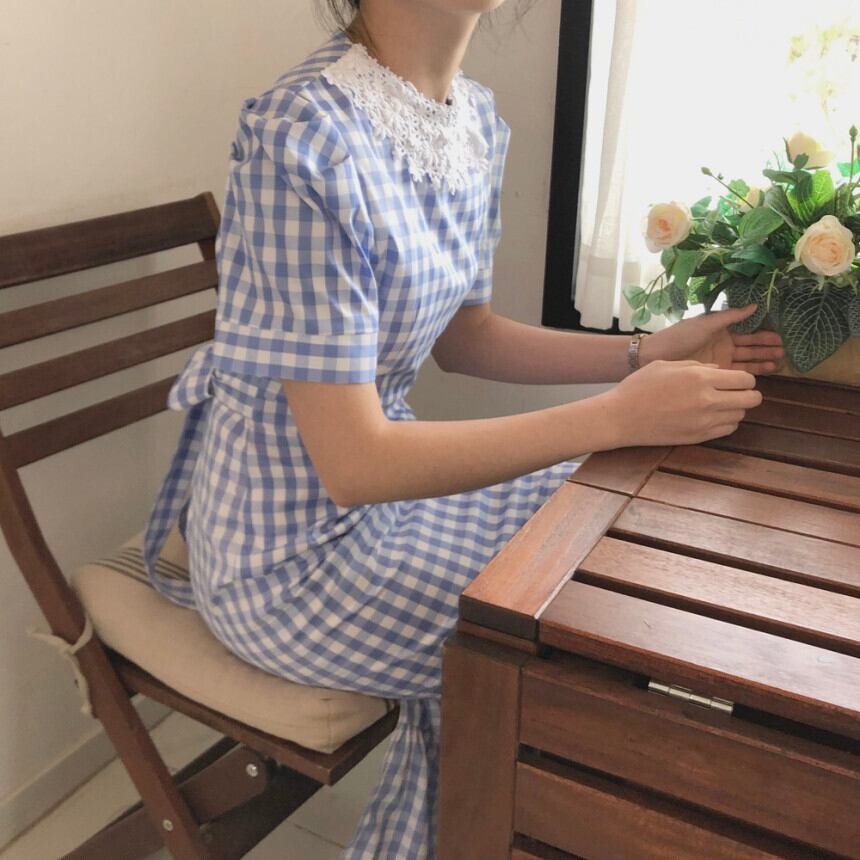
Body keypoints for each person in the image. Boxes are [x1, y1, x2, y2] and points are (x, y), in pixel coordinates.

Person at [142, 1, 785, 856]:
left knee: (612, 532)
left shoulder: (470, 117)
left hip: (390, 506)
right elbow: (354, 463)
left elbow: (466, 336)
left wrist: (640, 353)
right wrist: (616, 415)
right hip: (290, 559)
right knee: (578, 643)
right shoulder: (301, 134)